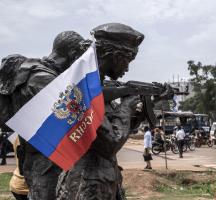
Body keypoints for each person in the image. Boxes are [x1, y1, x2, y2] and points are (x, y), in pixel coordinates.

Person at [56, 23, 147, 200]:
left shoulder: (96, 88)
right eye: (127, 61)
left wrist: (141, 112)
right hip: (88, 185)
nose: (127, 69)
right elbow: (110, 143)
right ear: (115, 56)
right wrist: (126, 106)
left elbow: (116, 126)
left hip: (99, 181)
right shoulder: (82, 89)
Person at [0, 31, 86, 200]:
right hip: (43, 163)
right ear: (72, 54)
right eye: (78, 58)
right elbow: (72, 113)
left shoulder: (43, 74)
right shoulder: (41, 78)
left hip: (44, 159)